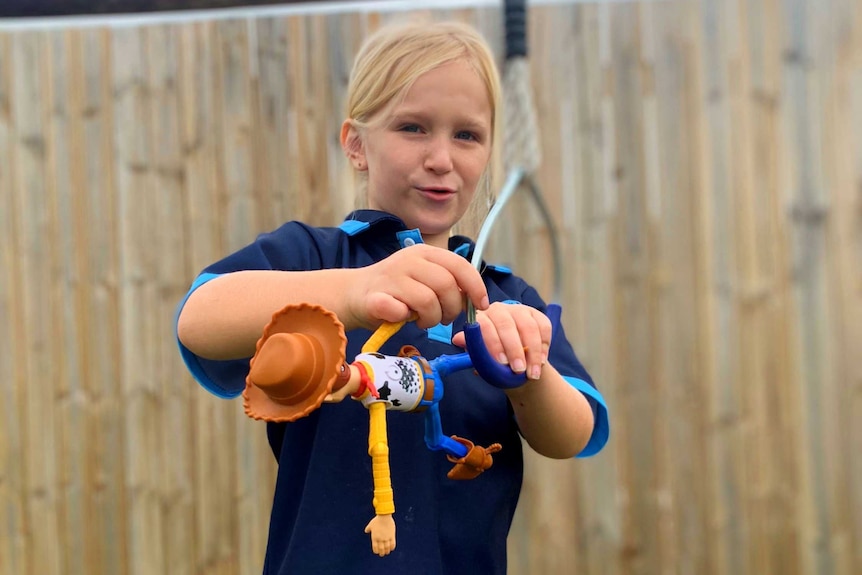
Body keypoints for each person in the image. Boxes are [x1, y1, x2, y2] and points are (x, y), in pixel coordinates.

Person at [175, 20, 609, 575]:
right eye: (413, 128)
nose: (441, 158)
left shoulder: (504, 298)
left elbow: (573, 434)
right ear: (356, 144)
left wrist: (529, 373)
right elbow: (198, 318)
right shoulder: (315, 258)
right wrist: (355, 292)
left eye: (467, 135)